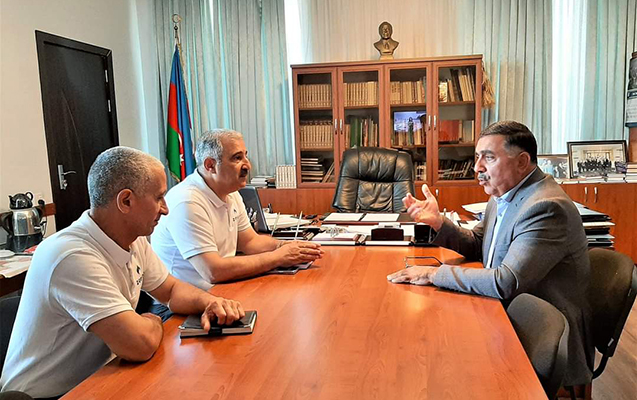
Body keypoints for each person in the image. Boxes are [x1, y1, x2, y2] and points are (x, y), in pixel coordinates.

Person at [0, 147, 244, 399]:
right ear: (126, 201)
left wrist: (211, 302)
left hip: (100, 377)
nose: (165, 209)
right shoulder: (71, 255)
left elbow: (171, 290)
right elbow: (139, 345)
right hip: (49, 394)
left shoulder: (133, 239)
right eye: (159, 198)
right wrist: (152, 321)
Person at [387, 121, 594, 386]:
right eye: (477, 157)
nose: (477, 168)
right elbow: (478, 243)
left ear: (522, 162)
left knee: (435, 361)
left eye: (489, 157)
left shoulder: (546, 208)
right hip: (501, 311)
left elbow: (505, 282)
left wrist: (433, 274)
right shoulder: (504, 194)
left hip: (540, 337)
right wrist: (438, 223)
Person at [151, 129, 323, 291]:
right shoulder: (187, 201)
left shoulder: (230, 192)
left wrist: (285, 246)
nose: (247, 165)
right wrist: (279, 257)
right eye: (237, 158)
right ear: (210, 165)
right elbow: (213, 271)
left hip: (220, 290)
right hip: (181, 303)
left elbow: (249, 242)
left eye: (245, 156)